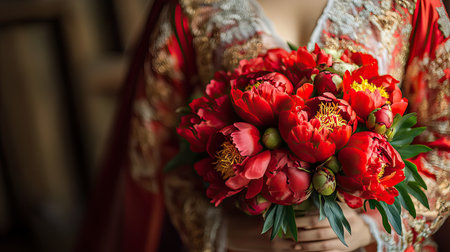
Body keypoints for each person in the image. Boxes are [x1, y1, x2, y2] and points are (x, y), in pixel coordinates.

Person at [76, 0, 450, 251]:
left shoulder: (408, 5)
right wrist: (233, 236)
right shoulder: (195, 8)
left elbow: (444, 136)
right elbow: (153, 148)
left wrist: (369, 230)